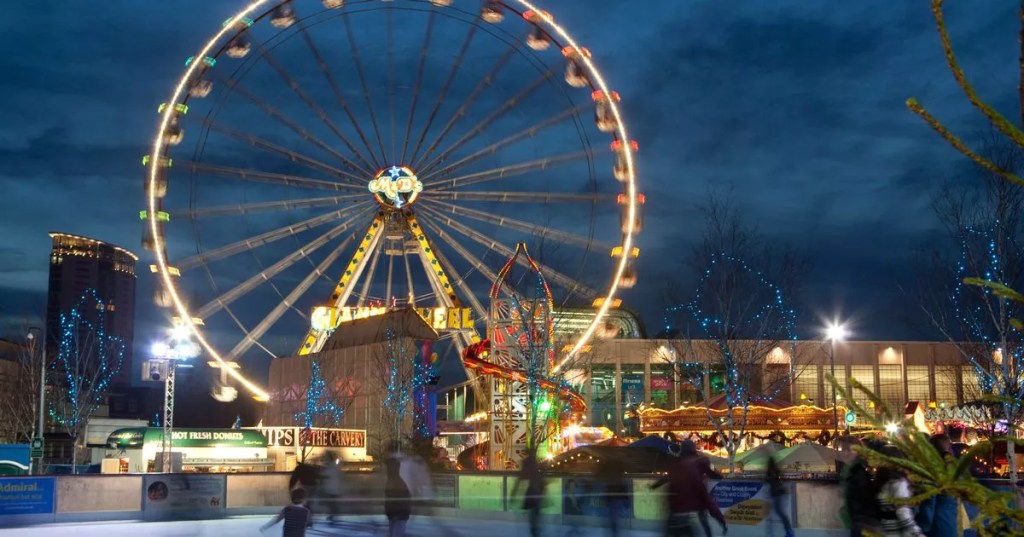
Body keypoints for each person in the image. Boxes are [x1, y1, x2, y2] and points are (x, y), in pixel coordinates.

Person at [652, 440, 727, 537]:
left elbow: (667, 479)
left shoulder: (676, 466)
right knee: (702, 520)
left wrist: (654, 486)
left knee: (699, 520)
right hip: (688, 508)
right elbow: (707, 496)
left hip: (676, 512)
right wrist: (721, 520)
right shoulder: (694, 469)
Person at [837, 435, 882, 537]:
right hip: (860, 522)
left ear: (858, 452)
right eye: (842, 449)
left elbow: (863, 499)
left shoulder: (858, 472)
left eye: (849, 450)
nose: (844, 453)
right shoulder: (851, 470)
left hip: (862, 524)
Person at [875, 446, 924, 537]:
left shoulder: (882, 483)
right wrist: (917, 534)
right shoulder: (899, 483)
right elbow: (902, 511)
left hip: (886, 531)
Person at [916, 434, 957, 537]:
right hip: (950, 520)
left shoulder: (932, 470)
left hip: (936, 522)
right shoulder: (953, 468)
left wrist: (922, 527)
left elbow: (929, 503)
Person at [514, 449, 546, 537]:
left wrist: (514, 492)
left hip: (534, 490)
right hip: (537, 490)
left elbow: (521, 478)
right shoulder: (536, 463)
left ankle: (535, 530)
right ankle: (535, 530)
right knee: (535, 512)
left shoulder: (528, 463)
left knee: (534, 513)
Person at [597, 457, 628, 537]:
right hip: (614, 496)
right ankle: (615, 532)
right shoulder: (616, 468)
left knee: (613, 518)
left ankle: (614, 532)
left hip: (614, 496)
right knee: (613, 518)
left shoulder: (610, 468)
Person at [765, 452, 794, 537]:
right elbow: (780, 479)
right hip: (777, 493)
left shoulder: (771, 471)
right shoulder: (775, 470)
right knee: (778, 512)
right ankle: (787, 530)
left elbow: (770, 481)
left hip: (776, 493)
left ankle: (788, 530)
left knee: (779, 512)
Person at [384, 457, 412, 537]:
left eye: (388, 467)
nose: (386, 470)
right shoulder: (393, 480)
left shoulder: (395, 481)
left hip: (398, 515)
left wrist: (394, 514)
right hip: (396, 514)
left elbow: (400, 500)